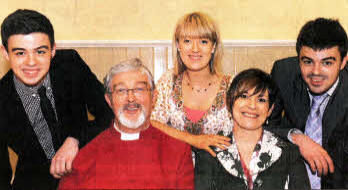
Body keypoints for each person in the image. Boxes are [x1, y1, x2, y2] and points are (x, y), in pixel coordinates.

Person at [0, 9, 113, 189]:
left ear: (53, 50)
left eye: (40, 52)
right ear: (5, 53)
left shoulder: (70, 64)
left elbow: (109, 113)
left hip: (88, 177)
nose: (31, 62)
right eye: (20, 53)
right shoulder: (2, 98)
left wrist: (75, 139)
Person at [58, 58, 194, 190]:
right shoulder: (82, 156)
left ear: (154, 97)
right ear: (109, 100)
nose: (130, 99)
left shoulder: (178, 152)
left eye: (139, 89)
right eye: (121, 91)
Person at [194, 68, 310, 190]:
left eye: (261, 100)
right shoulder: (209, 152)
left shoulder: (289, 153)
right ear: (230, 102)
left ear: (270, 109)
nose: (252, 105)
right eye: (244, 96)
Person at [269, 18, 348, 189]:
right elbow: (262, 127)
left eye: (327, 62)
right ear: (298, 59)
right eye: (308, 61)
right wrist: (297, 137)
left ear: (343, 62)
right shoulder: (284, 74)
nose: (316, 72)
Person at [151, 12, 232, 157]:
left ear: (213, 47)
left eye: (203, 41)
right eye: (187, 41)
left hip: (220, 172)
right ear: (178, 45)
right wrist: (194, 140)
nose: (195, 49)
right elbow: (152, 124)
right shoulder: (168, 81)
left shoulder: (232, 86)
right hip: (175, 168)